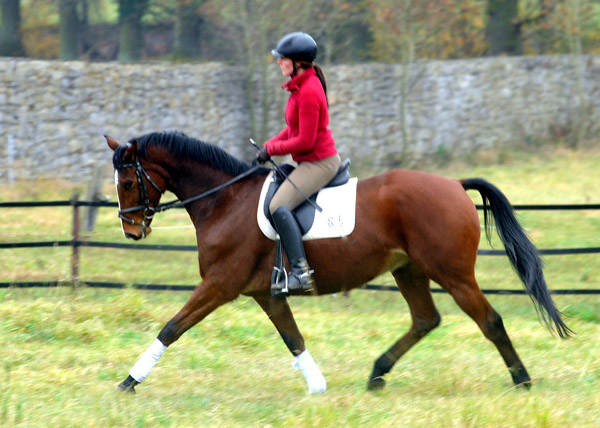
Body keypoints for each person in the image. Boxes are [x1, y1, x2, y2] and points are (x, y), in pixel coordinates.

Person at [255, 31, 341, 298]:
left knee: (278, 206)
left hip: (320, 163)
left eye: (283, 59)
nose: (279, 63)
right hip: (309, 161)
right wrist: (269, 144)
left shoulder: (309, 91)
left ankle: (301, 272)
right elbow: (293, 129)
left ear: (299, 62)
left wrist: (273, 149)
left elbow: (303, 141)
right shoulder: (300, 86)